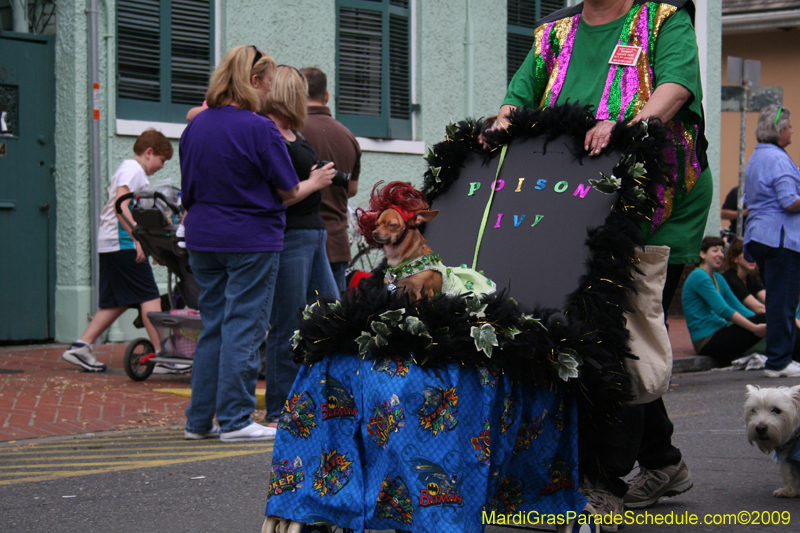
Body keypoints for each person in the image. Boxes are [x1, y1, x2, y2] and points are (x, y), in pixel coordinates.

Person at [490, 0, 712, 524]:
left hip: (656, 200)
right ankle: (663, 461)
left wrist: (628, 125)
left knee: (620, 333)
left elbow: (676, 88)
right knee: (603, 335)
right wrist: (498, 127)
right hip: (579, 200)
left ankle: (603, 480)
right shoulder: (555, 33)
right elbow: (516, 101)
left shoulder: (662, 19)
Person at [179, 45, 300, 442]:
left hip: (203, 236)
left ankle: (199, 421)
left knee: (213, 326)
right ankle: (236, 419)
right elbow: (288, 189)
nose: (269, 92)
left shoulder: (196, 126)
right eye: (268, 83)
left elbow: (188, 187)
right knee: (244, 326)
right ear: (253, 80)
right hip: (251, 236)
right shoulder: (259, 127)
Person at [262, 65, 340, 428]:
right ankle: (280, 409)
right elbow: (280, 195)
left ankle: (317, 398)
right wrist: (315, 181)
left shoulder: (293, 132)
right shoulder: (269, 133)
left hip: (314, 234)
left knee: (329, 313)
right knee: (288, 323)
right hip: (291, 236)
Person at [61, 130, 172, 372]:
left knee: (117, 301)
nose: (162, 167)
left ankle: (81, 346)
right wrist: (138, 239)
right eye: (162, 160)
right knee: (149, 296)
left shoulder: (127, 168)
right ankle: (163, 354)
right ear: (149, 152)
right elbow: (120, 205)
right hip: (123, 244)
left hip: (110, 244)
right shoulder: (134, 170)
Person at [743, 105, 800, 378]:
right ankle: (779, 361)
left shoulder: (758, 156)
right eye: (789, 127)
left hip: (759, 235)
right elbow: (790, 202)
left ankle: (778, 358)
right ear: (778, 131)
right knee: (783, 301)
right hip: (780, 238)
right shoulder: (778, 158)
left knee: (777, 299)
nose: (792, 131)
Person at [299, 67, 361, 294]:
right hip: (336, 241)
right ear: (326, 96)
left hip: (298, 241)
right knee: (333, 312)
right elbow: (351, 189)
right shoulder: (347, 135)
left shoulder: (291, 131)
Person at [682, 236, 767, 364]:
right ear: (703, 254)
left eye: (722, 251)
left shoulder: (718, 278)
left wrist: (759, 320)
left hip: (721, 332)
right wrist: (754, 328)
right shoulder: (698, 275)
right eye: (715, 250)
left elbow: (738, 307)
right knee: (769, 319)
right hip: (706, 341)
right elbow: (723, 310)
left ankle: (789, 358)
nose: (720, 255)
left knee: (771, 318)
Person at [722, 237, 765, 314]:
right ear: (735, 258)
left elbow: (770, 301)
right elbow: (758, 308)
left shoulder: (751, 279)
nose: (752, 257)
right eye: (747, 253)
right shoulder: (730, 278)